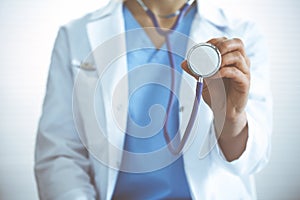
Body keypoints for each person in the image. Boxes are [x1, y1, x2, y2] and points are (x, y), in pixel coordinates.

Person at [34, 0, 272, 199]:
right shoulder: (75, 34)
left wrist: (230, 118)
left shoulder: (241, 36)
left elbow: (252, 160)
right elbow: (59, 153)